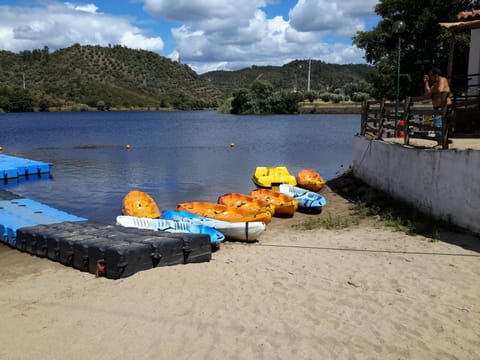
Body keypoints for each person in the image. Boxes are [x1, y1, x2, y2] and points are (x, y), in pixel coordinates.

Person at [423, 67, 453, 139]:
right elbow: (428, 93)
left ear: (435, 75)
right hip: (438, 107)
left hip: (444, 106)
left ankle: (441, 141)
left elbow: (440, 90)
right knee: (438, 125)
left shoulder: (442, 79)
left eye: (431, 75)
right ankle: (441, 140)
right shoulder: (435, 84)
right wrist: (426, 82)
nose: (430, 77)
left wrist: (432, 91)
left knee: (438, 125)